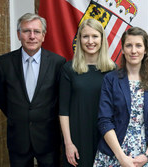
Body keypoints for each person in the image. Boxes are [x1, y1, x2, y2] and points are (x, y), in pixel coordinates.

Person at [0, 13, 66, 166]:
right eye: (27, 31)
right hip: (18, 139)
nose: (32, 36)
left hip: (48, 138)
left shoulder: (58, 63)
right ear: (18, 34)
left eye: (37, 31)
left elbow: (61, 98)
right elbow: (1, 97)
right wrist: (18, 113)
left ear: (43, 36)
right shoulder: (3, 63)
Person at [93, 27, 148, 167]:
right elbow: (104, 120)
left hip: (146, 156)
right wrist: (121, 158)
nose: (133, 51)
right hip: (114, 154)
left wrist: (147, 155)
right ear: (123, 49)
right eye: (129, 45)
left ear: (145, 50)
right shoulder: (111, 80)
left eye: (138, 45)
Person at [59, 18, 116, 167]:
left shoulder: (113, 70)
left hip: (105, 137)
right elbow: (63, 110)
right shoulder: (69, 69)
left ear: (102, 39)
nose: (90, 41)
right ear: (79, 39)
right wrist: (68, 143)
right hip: (77, 139)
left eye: (95, 36)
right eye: (85, 36)